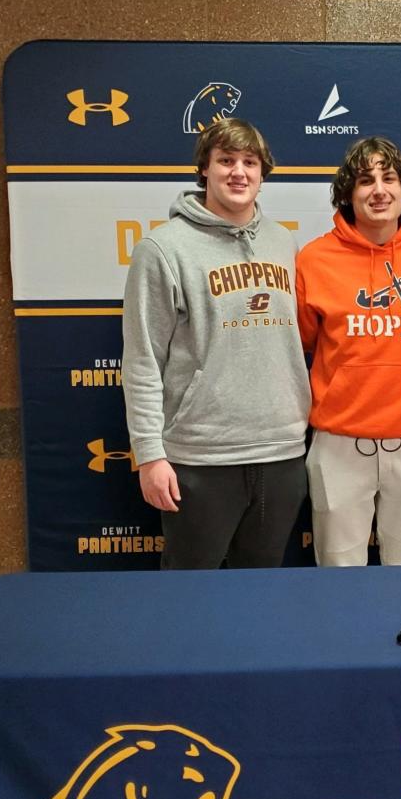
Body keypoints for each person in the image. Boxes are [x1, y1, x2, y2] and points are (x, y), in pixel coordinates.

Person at [122, 117, 310, 569]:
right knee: (190, 594)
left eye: (250, 162)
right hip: (201, 456)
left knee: (262, 590)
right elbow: (143, 360)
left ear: (263, 175)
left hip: (281, 452)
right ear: (204, 170)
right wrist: (149, 456)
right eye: (226, 160)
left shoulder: (284, 242)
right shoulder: (163, 249)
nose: (238, 172)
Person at [296, 136, 401, 566]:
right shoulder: (313, 259)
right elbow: (305, 343)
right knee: (339, 573)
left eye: (389, 178)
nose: (379, 190)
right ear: (348, 193)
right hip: (339, 443)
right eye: (365, 180)